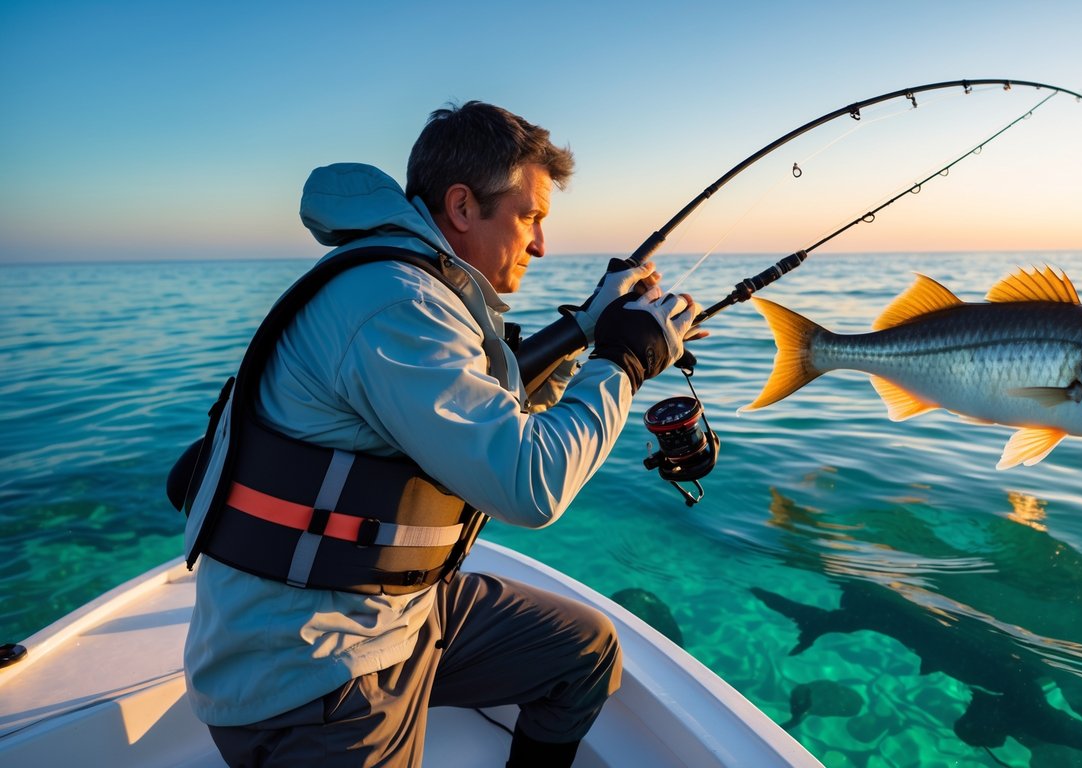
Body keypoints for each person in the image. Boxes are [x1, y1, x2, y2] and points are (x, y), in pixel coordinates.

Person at [180, 101, 700, 767]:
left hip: (400, 612)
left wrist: (590, 327)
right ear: (461, 206)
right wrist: (623, 363)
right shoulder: (399, 301)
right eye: (529, 216)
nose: (541, 245)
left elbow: (491, 403)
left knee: (583, 652)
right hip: (311, 669)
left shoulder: (414, 283)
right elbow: (528, 483)